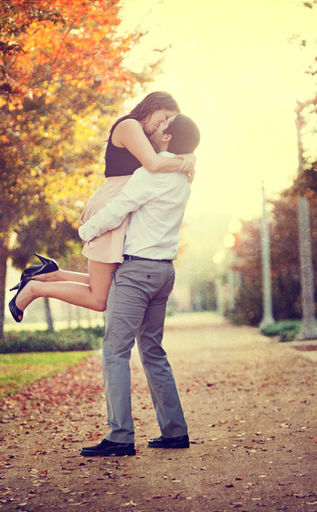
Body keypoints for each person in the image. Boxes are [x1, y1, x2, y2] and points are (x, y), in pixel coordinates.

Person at [70, 113, 201, 457]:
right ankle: (175, 431)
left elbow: (118, 209)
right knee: (153, 351)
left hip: (137, 273)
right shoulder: (184, 176)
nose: (156, 129)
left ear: (169, 138)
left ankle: (120, 436)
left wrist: (85, 231)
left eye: (162, 126)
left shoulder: (150, 175)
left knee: (115, 351)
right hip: (163, 273)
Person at [8, 92, 196, 322]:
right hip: (112, 205)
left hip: (125, 208)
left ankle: (50, 275)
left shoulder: (149, 139)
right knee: (100, 299)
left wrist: (186, 159)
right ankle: (34, 289)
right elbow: (154, 164)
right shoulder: (129, 125)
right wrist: (186, 161)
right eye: (165, 117)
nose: (163, 124)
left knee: (113, 283)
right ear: (154, 105)